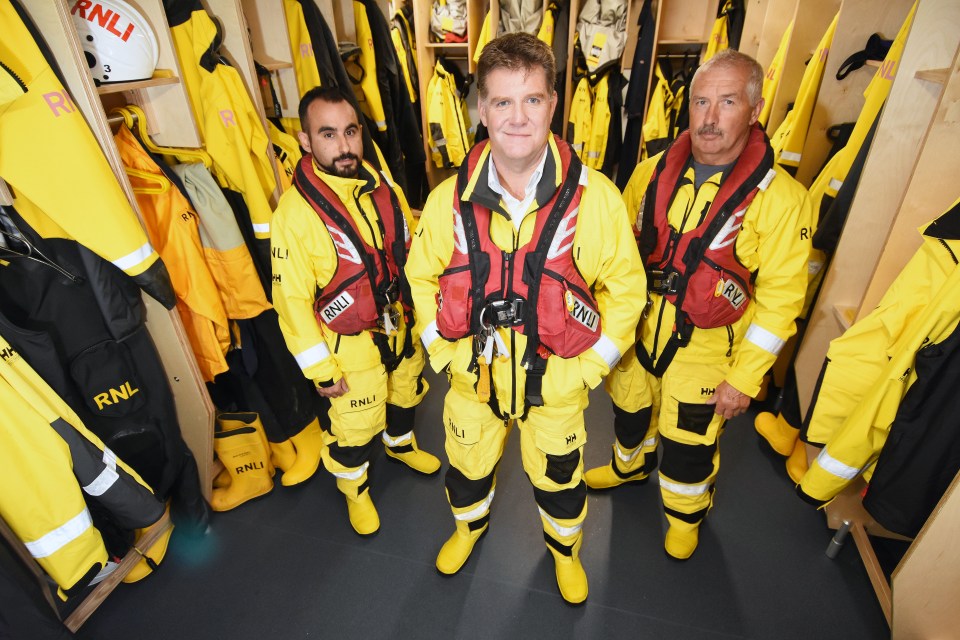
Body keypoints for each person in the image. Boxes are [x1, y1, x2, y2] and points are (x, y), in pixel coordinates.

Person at [406, 33, 645, 604]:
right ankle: (468, 529)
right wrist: (446, 355)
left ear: (554, 105)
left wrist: (587, 372)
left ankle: (564, 553)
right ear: (481, 109)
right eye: (503, 102)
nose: (518, 117)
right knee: (466, 471)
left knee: (561, 483)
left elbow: (628, 293)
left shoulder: (598, 199)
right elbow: (420, 281)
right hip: (473, 380)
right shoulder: (447, 202)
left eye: (533, 100)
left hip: (558, 384)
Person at [585, 48, 813, 560]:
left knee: (689, 445)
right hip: (639, 334)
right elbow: (614, 258)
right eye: (701, 101)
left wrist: (745, 377)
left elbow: (781, 303)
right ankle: (629, 466)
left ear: (754, 110)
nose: (709, 118)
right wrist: (602, 333)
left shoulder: (783, 199)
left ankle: (685, 515)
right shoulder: (648, 172)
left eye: (727, 102)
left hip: (709, 348)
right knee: (628, 414)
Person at [271, 86, 440, 536]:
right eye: (328, 135)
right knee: (354, 424)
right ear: (305, 141)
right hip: (349, 344)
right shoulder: (295, 214)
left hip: (400, 325)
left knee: (406, 392)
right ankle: (355, 490)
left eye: (350, 132)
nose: (344, 147)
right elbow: (290, 303)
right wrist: (321, 369)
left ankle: (401, 444)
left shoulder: (381, 185)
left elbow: (411, 249)